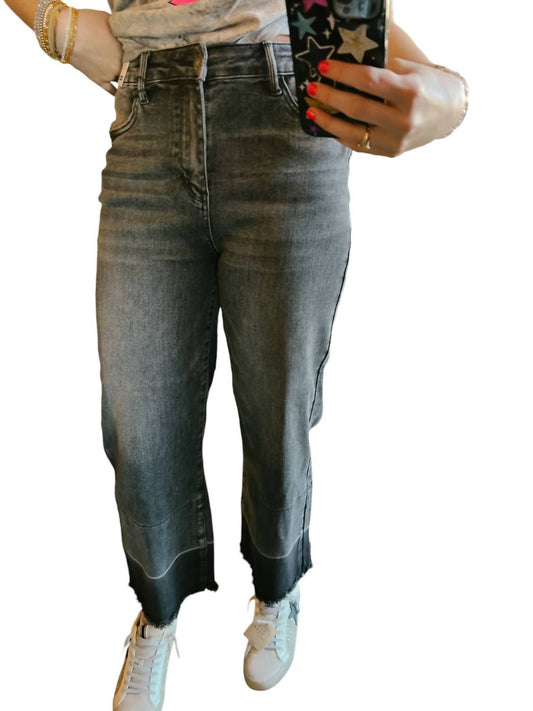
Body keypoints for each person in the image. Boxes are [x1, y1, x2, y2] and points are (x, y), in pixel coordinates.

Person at [4, 0, 468, 707]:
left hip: (285, 111)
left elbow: (339, 6)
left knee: (278, 405)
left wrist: (444, 87)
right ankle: (158, 607)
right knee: (137, 420)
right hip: (149, 115)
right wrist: (56, 25)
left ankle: (278, 585)